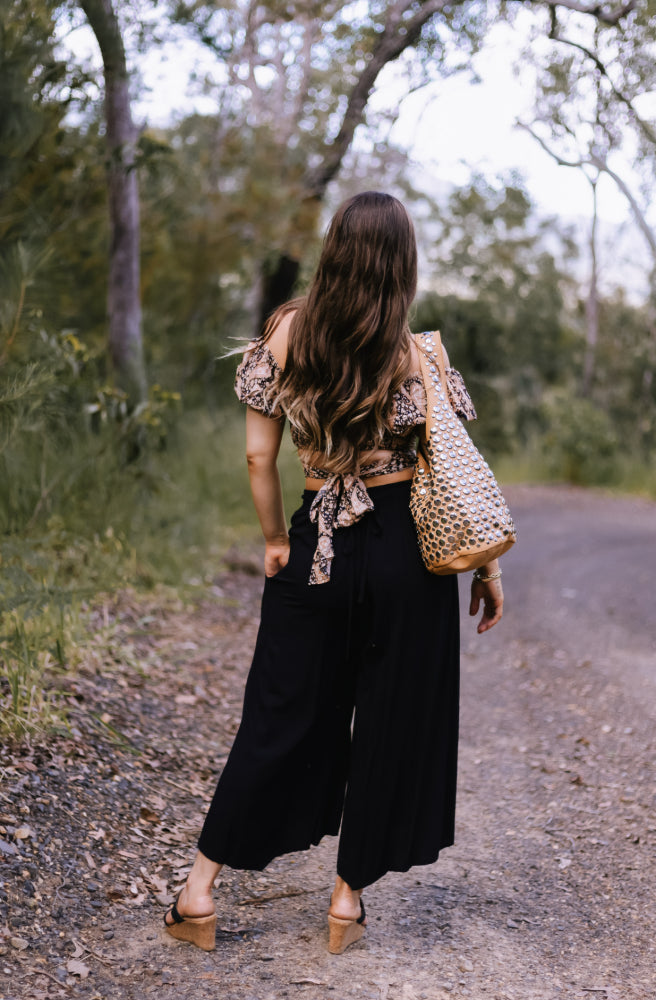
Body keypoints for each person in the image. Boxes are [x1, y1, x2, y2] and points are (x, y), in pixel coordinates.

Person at [164, 191, 504, 955]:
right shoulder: (416, 350)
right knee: (390, 718)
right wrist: (485, 572)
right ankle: (345, 904)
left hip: (318, 537)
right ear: (401, 263)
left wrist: (273, 540)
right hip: (408, 555)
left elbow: (257, 456)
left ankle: (199, 894)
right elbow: (452, 476)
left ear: (335, 249)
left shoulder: (286, 331)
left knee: (280, 713)